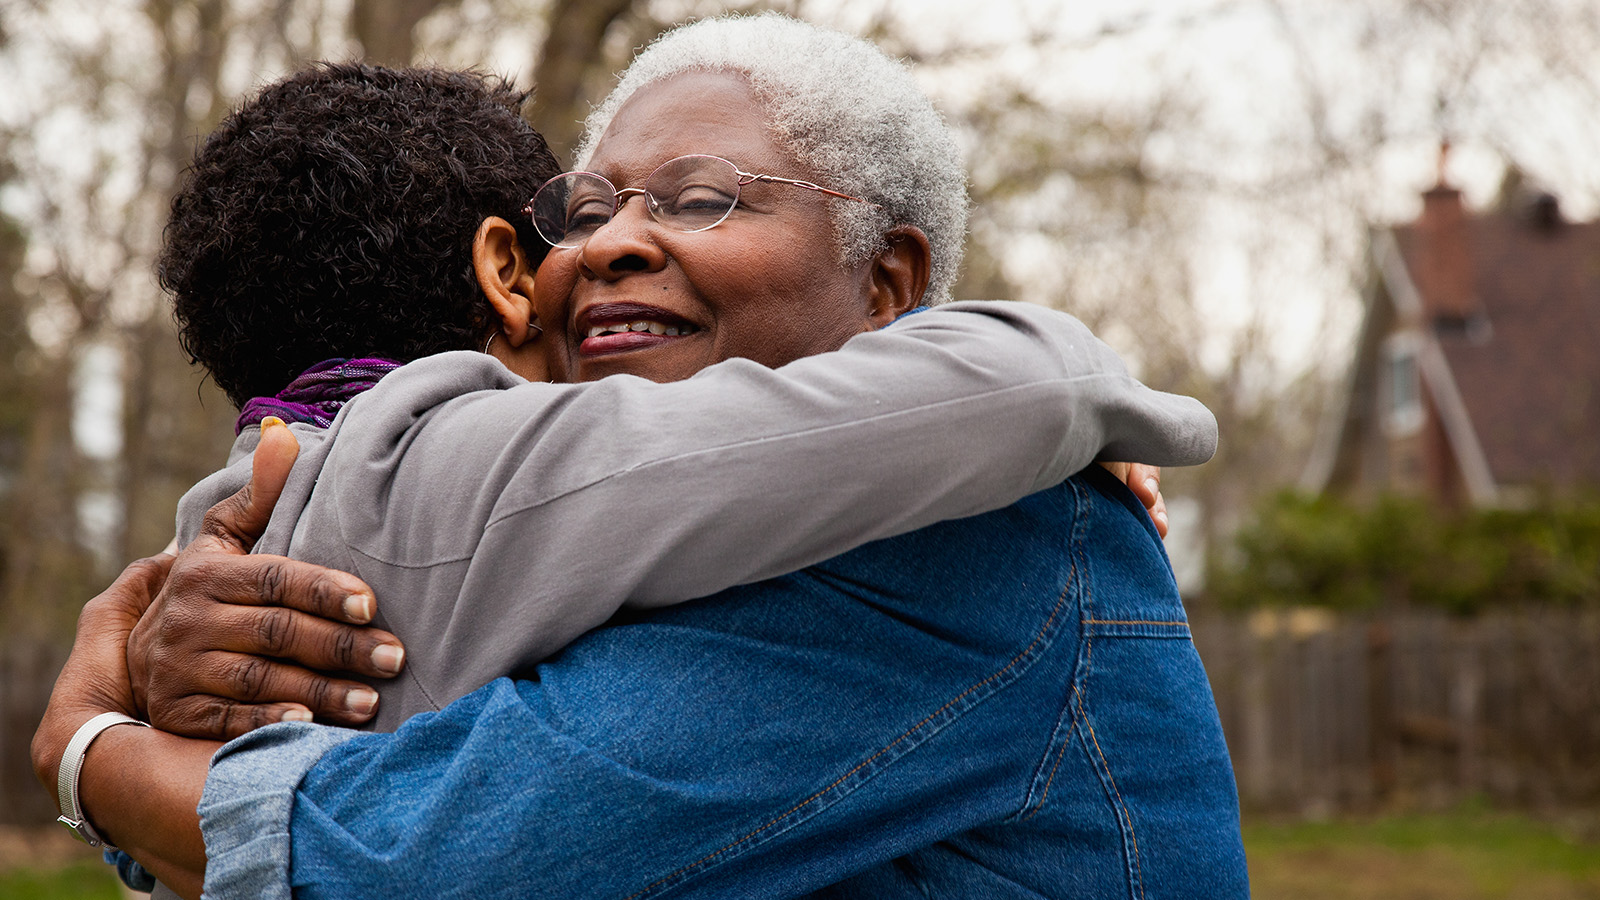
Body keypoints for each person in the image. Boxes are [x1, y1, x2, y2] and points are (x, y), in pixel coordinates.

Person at [36, 13, 1247, 900]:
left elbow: (418, 853)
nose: (611, 245)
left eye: (700, 199)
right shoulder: (619, 529)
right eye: (589, 209)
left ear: (888, 284)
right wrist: (182, 646)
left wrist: (93, 750)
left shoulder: (976, 530)